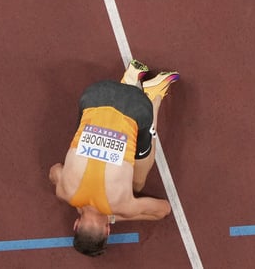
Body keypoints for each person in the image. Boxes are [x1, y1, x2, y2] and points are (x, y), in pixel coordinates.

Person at [49, 60, 179, 256]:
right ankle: (130, 77)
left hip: (137, 107)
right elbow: (54, 171)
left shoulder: (123, 206)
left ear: (107, 230)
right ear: (76, 224)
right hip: (95, 94)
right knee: (84, 132)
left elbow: (163, 210)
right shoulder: (64, 192)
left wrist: (116, 216)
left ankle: (154, 94)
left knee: (138, 184)